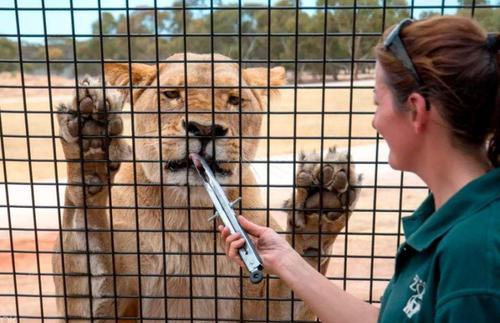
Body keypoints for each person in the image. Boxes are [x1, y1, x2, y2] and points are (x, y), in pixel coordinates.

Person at [219, 16, 500, 322]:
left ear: (416, 111)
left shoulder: (474, 256)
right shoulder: (446, 216)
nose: (374, 121)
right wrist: (285, 258)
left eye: (377, 103)